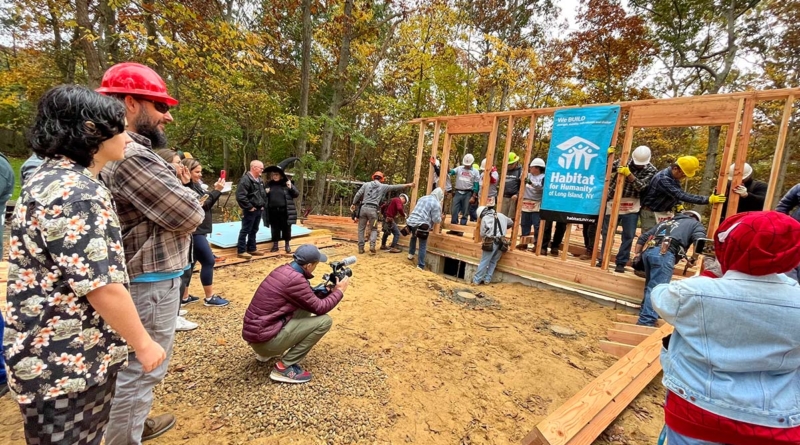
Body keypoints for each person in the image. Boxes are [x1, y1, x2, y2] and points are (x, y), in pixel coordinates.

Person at [5, 84, 167, 445]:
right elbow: (101, 285)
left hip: (51, 358)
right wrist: (143, 343)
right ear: (92, 131)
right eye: (120, 127)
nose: (127, 136)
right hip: (67, 362)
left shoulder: (50, 179)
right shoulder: (78, 195)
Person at [98, 62, 203, 444]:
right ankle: (125, 436)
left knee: (132, 368)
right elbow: (190, 212)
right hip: (149, 281)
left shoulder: (119, 152)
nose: (168, 116)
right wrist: (186, 191)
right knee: (140, 370)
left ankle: (131, 425)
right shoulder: (133, 156)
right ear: (129, 103)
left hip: (141, 278)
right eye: (159, 106)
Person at [653, 211, 800, 445]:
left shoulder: (697, 294)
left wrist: (711, 275)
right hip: (775, 423)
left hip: (697, 413)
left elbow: (661, 296)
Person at [242, 245, 349, 383]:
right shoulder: (296, 280)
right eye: (316, 264)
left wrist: (328, 290)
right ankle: (283, 367)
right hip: (264, 340)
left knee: (304, 306)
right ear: (309, 265)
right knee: (325, 321)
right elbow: (321, 308)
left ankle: (264, 354)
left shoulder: (285, 270)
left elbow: (308, 299)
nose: (316, 266)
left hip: (259, 335)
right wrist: (339, 291)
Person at [633, 210, 705, 327]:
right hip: (664, 254)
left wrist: (637, 254)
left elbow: (643, 237)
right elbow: (700, 241)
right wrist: (693, 259)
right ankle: (646, 321)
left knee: (650, 286)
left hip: (649, 252)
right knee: (658, 288)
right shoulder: (695, 224)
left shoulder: (666, 222)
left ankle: (645, 314)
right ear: (695, 218)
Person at [599, 145, 658, 272]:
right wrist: (606, 158)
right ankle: (603, 258)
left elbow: (642, 187)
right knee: (607, 233)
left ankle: (621, 262)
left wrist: (629, 174)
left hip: (632, 204)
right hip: (614, 200)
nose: (638, 166)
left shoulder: (651, 170)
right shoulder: (624, 161)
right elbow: (603, 169)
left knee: (628, 235)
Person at [181, 157, 229, 307]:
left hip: (199, 230)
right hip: (196, 232)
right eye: (197, 172)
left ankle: (184, 297)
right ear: (187, 171)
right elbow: (202, 205)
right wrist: (217, 191)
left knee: (191, 264)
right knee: (208, 261)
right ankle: (209, 297)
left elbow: (206, 203)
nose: (200, 174)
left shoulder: (196, 186)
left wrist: (215, 191)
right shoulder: (187, 187)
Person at [640, 156, 726, 232]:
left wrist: (678, 204)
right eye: (683, 174)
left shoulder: (673, 177)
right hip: (651, 213)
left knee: (664, 240)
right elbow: (681, 195)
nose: (684, 177)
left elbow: (675, 193)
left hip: (664, 212)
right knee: (649, 241)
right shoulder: (663, 179)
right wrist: (707, 199)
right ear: (676, 169)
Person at [350, 171, 413, 254]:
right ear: (382, 179)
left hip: (363, 209)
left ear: (373, 177)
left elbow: (358, 194)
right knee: (374, 229)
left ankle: (361, 248)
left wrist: (354, 203)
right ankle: (372, 246)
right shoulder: (383, 187)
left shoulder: (366, 184)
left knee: (361, 229)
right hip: (373, 211)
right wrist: (408, 185)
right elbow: (395, 187)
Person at [263, 165, 300, 253]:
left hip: (285, 211)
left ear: (281, 175)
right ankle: (275, 245)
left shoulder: (286, 183)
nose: (274, 176)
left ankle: (287, 245)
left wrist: (291, 187)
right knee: (274, 228)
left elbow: (296, 194)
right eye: (273, 175)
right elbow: (262, 196)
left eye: (276, 174)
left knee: (286, 228)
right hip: (273, 211)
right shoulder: (269, 184)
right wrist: (265, 192)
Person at [236, 160, 268, 259]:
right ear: (254, 167)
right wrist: (249, 207)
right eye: (261, 168)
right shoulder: (245, 180)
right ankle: (241, 250)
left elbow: (262, 194)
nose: (262, 170)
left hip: (259, 209)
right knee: (245, 229)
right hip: (250, 210)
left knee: (254, 229)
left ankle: (252, 248)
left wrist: (262, 204)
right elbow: (240, 196)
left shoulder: (260, 180)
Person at [473, 206, 513, 285]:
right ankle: (487, 279)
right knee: (493, 261)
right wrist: (503, 226)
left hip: (491, 242)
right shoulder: (501, 215)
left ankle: (476, 280)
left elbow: (482, 233)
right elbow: (511, 222)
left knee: (484, 261)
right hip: (502, 242)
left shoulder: (485, 218)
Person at [406, 188, 444, 270]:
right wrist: (441, 218)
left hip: (411, 222)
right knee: (422, 245)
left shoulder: (422, 198)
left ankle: (410, 254)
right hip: (422, 225)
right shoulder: (436, 204)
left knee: (413, 237)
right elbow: (436, 219)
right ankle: (420, 265)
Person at [519, 158, 544, 249]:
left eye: (531, 167)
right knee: (525, 223)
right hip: (526, 201)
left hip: (536, 202)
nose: (530, 169)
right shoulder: (528, 175)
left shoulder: (543, 177)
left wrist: (531, 183)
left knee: (537, 224)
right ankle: (524, 242)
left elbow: (540, 188)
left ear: (537, 168)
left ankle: (536, 244)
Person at [448, 154, 480, 225]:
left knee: (465, 211)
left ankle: (462, 227)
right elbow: (451, 172)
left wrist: (473, 196)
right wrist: (447, 165)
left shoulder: (475, 172)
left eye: (468, 164)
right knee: (454, 210)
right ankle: (454, 227)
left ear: (472, 163)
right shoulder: (459, 168)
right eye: (465, 164)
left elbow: (476, 185)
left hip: (468, 193)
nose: (467, 166)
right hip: (458, 192)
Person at [500, 152, 523, 217]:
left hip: (514, 198)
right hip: (504, 197)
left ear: (516, 162)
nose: (509, 166)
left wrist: (517, 194)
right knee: (502, 217)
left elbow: (522, 186)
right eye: (508, 164)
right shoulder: (505, 170)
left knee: (511, 218)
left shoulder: (520, 171)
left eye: (511, 164)